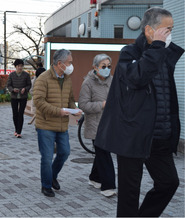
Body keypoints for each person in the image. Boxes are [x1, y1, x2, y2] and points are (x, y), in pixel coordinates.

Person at [94, 7, 184, 217]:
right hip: (133, 136)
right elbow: (137, 77)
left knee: (169, 183)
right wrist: (158, 47)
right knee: (129, 194)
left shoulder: (164, 55)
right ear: (149, 30)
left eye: (172, 29)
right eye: (166, 29)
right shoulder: (130, 53)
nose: (170, 34)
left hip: (159, 137)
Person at [33, 49, 82, 197]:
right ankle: (46, 185)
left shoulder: (66, 78)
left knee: (65, 152)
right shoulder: (43, 78)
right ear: (60, 64)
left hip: (62, 125)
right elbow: (38, 102)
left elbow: (70, 100)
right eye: (69, 63)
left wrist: (74, 110)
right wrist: (58, 111)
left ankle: (52, 176)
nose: (71, 66)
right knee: (47, 157)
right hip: (46, 125)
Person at [78, 54, 116, 197]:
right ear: (95, 67)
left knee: (102, 153)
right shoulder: (88, 83)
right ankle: (108, 186)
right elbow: (83, 104)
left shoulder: (113, 80)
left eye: (109, 66)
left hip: (110, 123)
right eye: (103, 66)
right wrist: (102, 105)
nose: (107, 69)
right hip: (95, 124)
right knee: (104, 153)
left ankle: (94, 178)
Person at [7, 59, 31, 138]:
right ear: (15, 66)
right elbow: (9, 85)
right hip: (14, 97)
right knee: (15, 114)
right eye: (18, 66)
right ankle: (16, 129)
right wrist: (13, 90)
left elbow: (29, 85)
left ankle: (19, 131)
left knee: (21, 113)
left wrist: (25, 89)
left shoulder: (26, 75)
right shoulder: (11, 75)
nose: (20, 67)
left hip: (23, 97)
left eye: (21, 66)